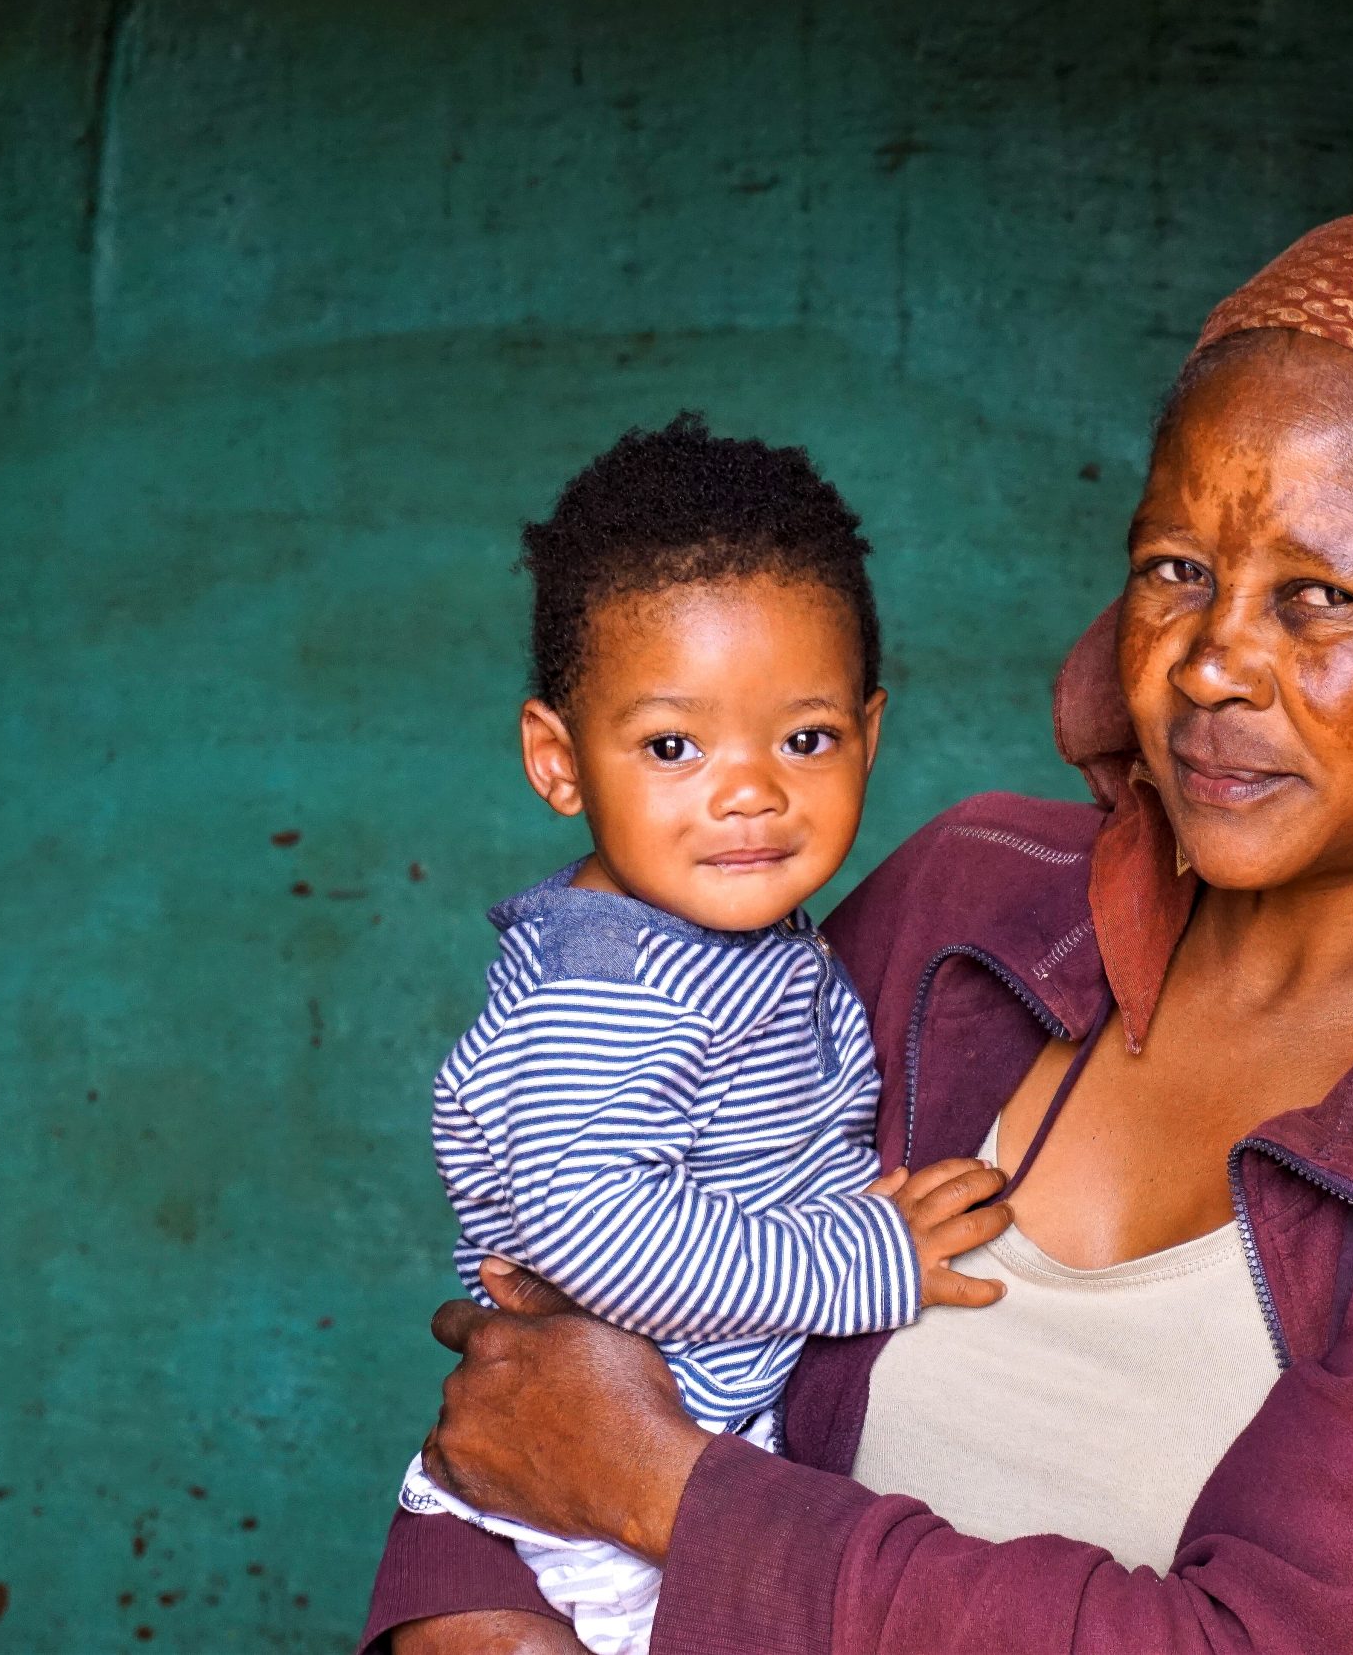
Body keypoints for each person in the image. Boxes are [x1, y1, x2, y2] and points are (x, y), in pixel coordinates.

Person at [363, 209, 1353, 1655]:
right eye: (1175, 568)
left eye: (1318, 595)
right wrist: (477, 1612)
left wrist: (673, 1495)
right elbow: (565, 1365)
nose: (1211, 661)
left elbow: (1265, 1643)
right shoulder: (976, 903)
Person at [392, 416, 1012, 1653]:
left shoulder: (732, 939)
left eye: (806, 737)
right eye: (673, 746)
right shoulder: (607, 994)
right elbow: (596, 1235)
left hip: (685, 1476)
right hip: (592, 1524)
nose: (749, 791)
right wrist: (864, 1260)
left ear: (871, 736)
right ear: (559, 762)